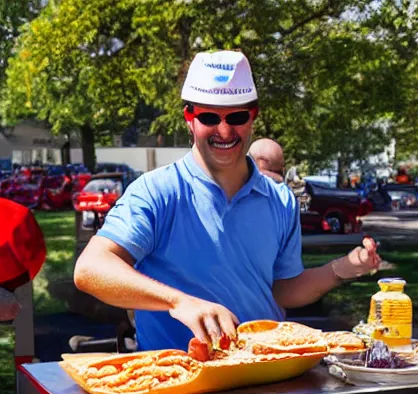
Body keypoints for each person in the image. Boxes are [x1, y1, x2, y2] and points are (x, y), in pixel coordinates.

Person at [74, 50, 381, 353]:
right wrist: (178, 301)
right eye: (209, 117)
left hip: (265, 375)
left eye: (236, 117)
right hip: (177, 380)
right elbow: (90, 269)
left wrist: (344, 267)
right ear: (189, 118)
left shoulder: (279, 200)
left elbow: (283, 290)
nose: (224, 130)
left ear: (252, 117)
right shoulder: (158, 191)